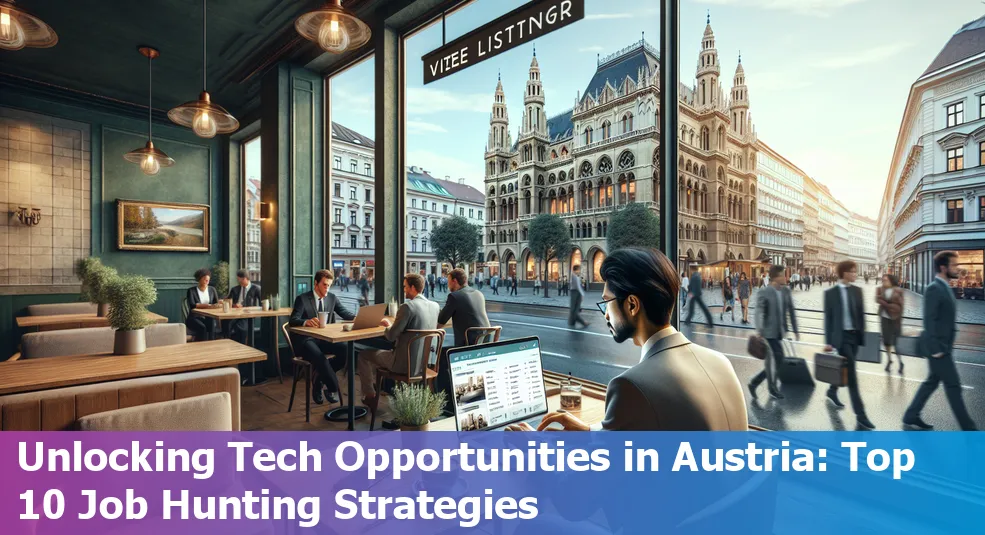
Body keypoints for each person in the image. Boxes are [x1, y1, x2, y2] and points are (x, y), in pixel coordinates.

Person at [508, 248, 747, 431]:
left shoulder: (631, 386)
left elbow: (594, 480)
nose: (605, 313)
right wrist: (590, 431)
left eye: (607, 303)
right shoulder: (720, 361)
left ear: (632, 305)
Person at [903, 251, 978, 431]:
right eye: (954, 265)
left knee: (931, 382)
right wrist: (937, 348)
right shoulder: (934, 288)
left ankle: (911, 415)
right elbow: (929, 321)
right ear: (943, 268)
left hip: (944, 348)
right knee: (954, 387)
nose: (957, 268)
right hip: (938, 350)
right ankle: (970, 431)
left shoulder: (945, 286)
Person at [358, 273, 439, 408]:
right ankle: (381, 389)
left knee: (363, 355)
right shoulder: (435, 306)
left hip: (404, 365)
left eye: (405, 287)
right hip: (425, 364)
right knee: (377, 356)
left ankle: (370, 395)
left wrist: (387, 325)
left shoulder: (407, 307)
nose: (404, 290)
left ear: (413, 287)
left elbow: (390, 336)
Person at [288, 269, 354, 406]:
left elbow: (345, 314)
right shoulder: (302, 299)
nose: (327, 288)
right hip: (305, 340)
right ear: (316, 283)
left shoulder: (332, 298)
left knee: (345, 349)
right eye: (324, 285)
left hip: (324, 339)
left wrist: (362, 318)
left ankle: (319, 378)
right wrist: (306, 321)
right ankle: (333, 387)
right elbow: (293, 320)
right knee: (320, 358)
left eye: (329, 285)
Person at [823, 260, 875, 430]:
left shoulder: (857, 291)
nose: (855, 274)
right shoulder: (830, 293)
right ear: (844, 272)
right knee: (852, 377)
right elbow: (828, 320)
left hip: (854, 338)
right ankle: (861, 415)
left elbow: (861, 316)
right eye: (852, 271)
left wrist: (863, 336)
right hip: (842, 339)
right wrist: (829, 343)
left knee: (844, 368)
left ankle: (832, 390)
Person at [748, 265, 799, 400]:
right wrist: (759, 330)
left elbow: (791, 311)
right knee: (778, 358)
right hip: (768, 333)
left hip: (779, 332)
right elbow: (759, 312)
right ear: (776, 277)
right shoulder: (764, 292)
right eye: (783, 275)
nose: (785, 277)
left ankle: (754, 383)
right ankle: (772, 388)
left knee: (774, 361)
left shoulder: (786, 291)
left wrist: (795, 329)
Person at [876, 273, 904, 374]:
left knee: (896, 344)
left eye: (886, 280)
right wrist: (889, 305)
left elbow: (900, 307)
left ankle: (900, 362)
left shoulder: (898, 290)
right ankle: (889, 360)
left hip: (895, 320)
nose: (884, 282)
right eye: (883, 280)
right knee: (886, 342)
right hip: (884, 319)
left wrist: (885, 304)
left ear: (891, 281)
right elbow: (877, 299)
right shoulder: (880, 289)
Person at [225, 269, 261, 344]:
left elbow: (262, 304)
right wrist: (234, 305)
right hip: (234, 314)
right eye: (238, 279)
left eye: (240, 279)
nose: (239, 281)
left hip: (247, 315)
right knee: (226, 325)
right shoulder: (234, 289)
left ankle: (241, 347)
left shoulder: (256, 288)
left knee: (241, 329)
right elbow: (228, 302)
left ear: (245, 278)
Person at [185, 268, 219, 341]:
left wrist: (220, 304)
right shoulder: (191, 291)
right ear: (199, 279)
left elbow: (216, 303)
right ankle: (201, 346)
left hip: (209, 316)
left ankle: (211, 345)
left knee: (212, 324)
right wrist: (208, 306)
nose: (207, 281)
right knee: (202, 327)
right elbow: (192, 305)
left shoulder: (212, 289)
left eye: (208, 280)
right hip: (194, 318)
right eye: (205, 279)